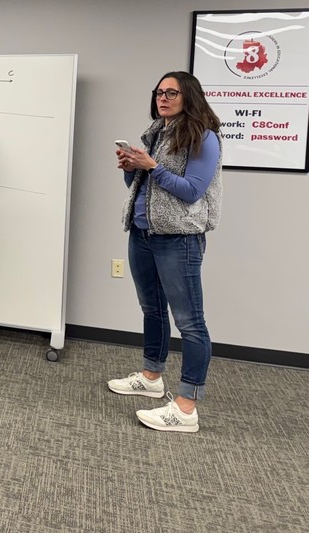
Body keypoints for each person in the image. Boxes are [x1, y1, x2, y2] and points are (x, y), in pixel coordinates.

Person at [108, 71, 222, 433]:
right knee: (151, 309)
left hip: (179, 238)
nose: (163, 97)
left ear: (189, 95)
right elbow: (143, 185)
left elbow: (191, 191)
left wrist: (151, 166)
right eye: (159, 92)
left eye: (171, 92)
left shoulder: (203, 136)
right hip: (143, 233)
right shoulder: (156, 131)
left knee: (190, 322)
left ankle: (186, 408)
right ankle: (151, 376)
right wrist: (132, 169)